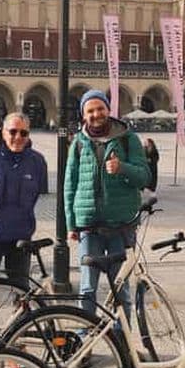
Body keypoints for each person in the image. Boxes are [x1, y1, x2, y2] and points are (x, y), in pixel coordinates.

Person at [64, 90, 150, 319]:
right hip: (89, 227)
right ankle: (86, 336)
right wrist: (71, 224)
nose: (96, 114)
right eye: (90, 111)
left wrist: (122, 167)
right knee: (87, 289)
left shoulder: (127, 138)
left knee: (121, 288)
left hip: (121, 227)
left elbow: (144, 176)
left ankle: (123, 339)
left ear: (108, 110)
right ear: (84, 115)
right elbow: (69, 185)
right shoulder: (78, 143)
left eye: (100, 108)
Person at [0, 113, 48, 288]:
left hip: (21, 239)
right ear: (3, 133)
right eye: (12, 132)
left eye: (23, 133)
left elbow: (36, 196)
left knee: (21, 294)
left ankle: (21, 315)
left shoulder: (37, 161)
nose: (18, 137)